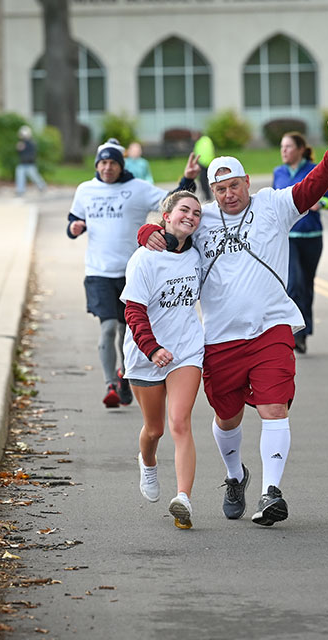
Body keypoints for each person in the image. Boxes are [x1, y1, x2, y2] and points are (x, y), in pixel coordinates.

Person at [138, 114, 328, 526]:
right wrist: (144, 235)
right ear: (212, 192)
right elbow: (163, 228)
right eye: (219, 189)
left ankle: (271, 493)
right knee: (227, 417)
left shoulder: (274, 204)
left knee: (274, 407)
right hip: (220, 337)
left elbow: (312, 188)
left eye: (234, 186)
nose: (228, 195)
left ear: (247, 182)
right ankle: (235, 476)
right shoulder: (202, 220)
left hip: (271, 327)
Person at [67, 138, 197, 409]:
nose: (107, 167)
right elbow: (73, 221)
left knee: (129, 329)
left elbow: (171, 204)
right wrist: (75, 228)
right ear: (96, 165)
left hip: (132, 272)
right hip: (98, 272)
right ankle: (110, 385)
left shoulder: (136, 188)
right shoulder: (85, 190)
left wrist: (187, 179)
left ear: (121, 165)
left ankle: (127, 376)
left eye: (112, 162)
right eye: (102, 162)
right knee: (107, 327)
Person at [121, 191, 204, 529]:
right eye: (184, 210)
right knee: (154, 430)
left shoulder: (198, 255)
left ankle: (183, 498)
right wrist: (152, 348)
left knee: (179, 422)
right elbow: (133, 310)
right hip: (146, 354)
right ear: (165, 216)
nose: (192, 216)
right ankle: (148, 463)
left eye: (197, 213)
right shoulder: (144, 258)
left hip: (186, 349)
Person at [273, 132, 328, 354]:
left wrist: (321, 203)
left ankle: (304, 333)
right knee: (294, 284)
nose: (284, 150)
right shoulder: (278, 173)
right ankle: (294, 334)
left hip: (311, 237)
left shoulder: (313, 169)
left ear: (301, 149)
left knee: (307, 286)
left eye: (289, 146)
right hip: (288, 239)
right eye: (282, 146)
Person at [15, 126, 47, 196]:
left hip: (30, 163)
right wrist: (19, 149)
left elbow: (32, 153)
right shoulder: (21, 143)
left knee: (35, 176)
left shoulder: (31, 143)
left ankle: (42, 186)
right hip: (22, 163)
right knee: (20, 176)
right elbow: (19, 152)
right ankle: (20, 190)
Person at [192, 133, 215, 201]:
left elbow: (197, 153)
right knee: (210, 180)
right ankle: (209, 196)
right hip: (209, 162)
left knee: (203, 181)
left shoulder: (199, 142)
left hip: (202, 163)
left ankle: (207, 196)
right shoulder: (207, 140)